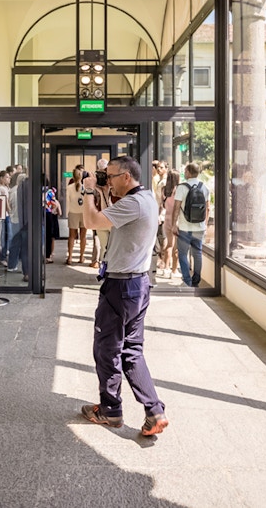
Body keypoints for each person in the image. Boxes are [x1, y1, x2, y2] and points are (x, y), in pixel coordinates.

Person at [80, 156, 169, 437]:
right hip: (138, 284)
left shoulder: (132, 203)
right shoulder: (145, 199)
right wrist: (105, 193)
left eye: (110, 175)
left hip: (120, 287)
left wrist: (86, 191)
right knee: (131, 351)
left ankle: (110, 410)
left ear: (126, 177)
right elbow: (112, 220)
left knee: (107, 349)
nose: (107, 179)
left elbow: (93, 222)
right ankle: (154, 411)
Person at [172, 161, 210, 287]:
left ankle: (187, 280)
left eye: (185, 171)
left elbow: (176, 208)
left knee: (182, 253)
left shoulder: (182, 187)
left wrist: (173, 224)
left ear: (188, 172)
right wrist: (205, 223)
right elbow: (207, 208)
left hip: (184, 227)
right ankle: (196, 280)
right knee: (197, 253)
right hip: (199, 228)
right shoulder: (204, 187)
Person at [89, 158, 111, 269]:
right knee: (102, 245)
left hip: (111, 219)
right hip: (99, 216)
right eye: (100, 173)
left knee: (110, 247)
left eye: (105, 172)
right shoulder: (96, 185)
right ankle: (100, 265)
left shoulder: (114, 183)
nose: (103, 177)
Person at [65, 165, 87, 265]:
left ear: (73, 177)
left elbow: (67, 202)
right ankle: (81, 257)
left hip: (73, 213)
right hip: (84, 213)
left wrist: (67, 213)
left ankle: (69, 257)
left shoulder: (69, 188)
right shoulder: (85, 187)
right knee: (83, 236)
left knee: (71, 236)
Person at [162, 168, 180, 279]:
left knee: (169, 244)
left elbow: (162, 205)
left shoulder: (164, 190)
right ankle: (174, 270)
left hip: (166, 218)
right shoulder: (177, 190)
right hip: (175, 220)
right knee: (175, 247)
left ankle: (166, 268)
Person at [0, 169, 11, 265]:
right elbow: (6, 202)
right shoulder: (2, 189)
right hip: (5, 215)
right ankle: (2, 257)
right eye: (6, 177)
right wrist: (10, 211)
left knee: (6, 236)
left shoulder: (4, 188)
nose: (8, 179)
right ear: (1, 178)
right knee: (6, 236)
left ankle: (3, 255)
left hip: (4, 215)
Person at [45, 185, 61, 263]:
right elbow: (54, 203)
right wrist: (52, 210)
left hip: (39, 213)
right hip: (48, 214)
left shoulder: (37, 191)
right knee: (49, 236)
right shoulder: (50, 192)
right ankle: (47, 256)